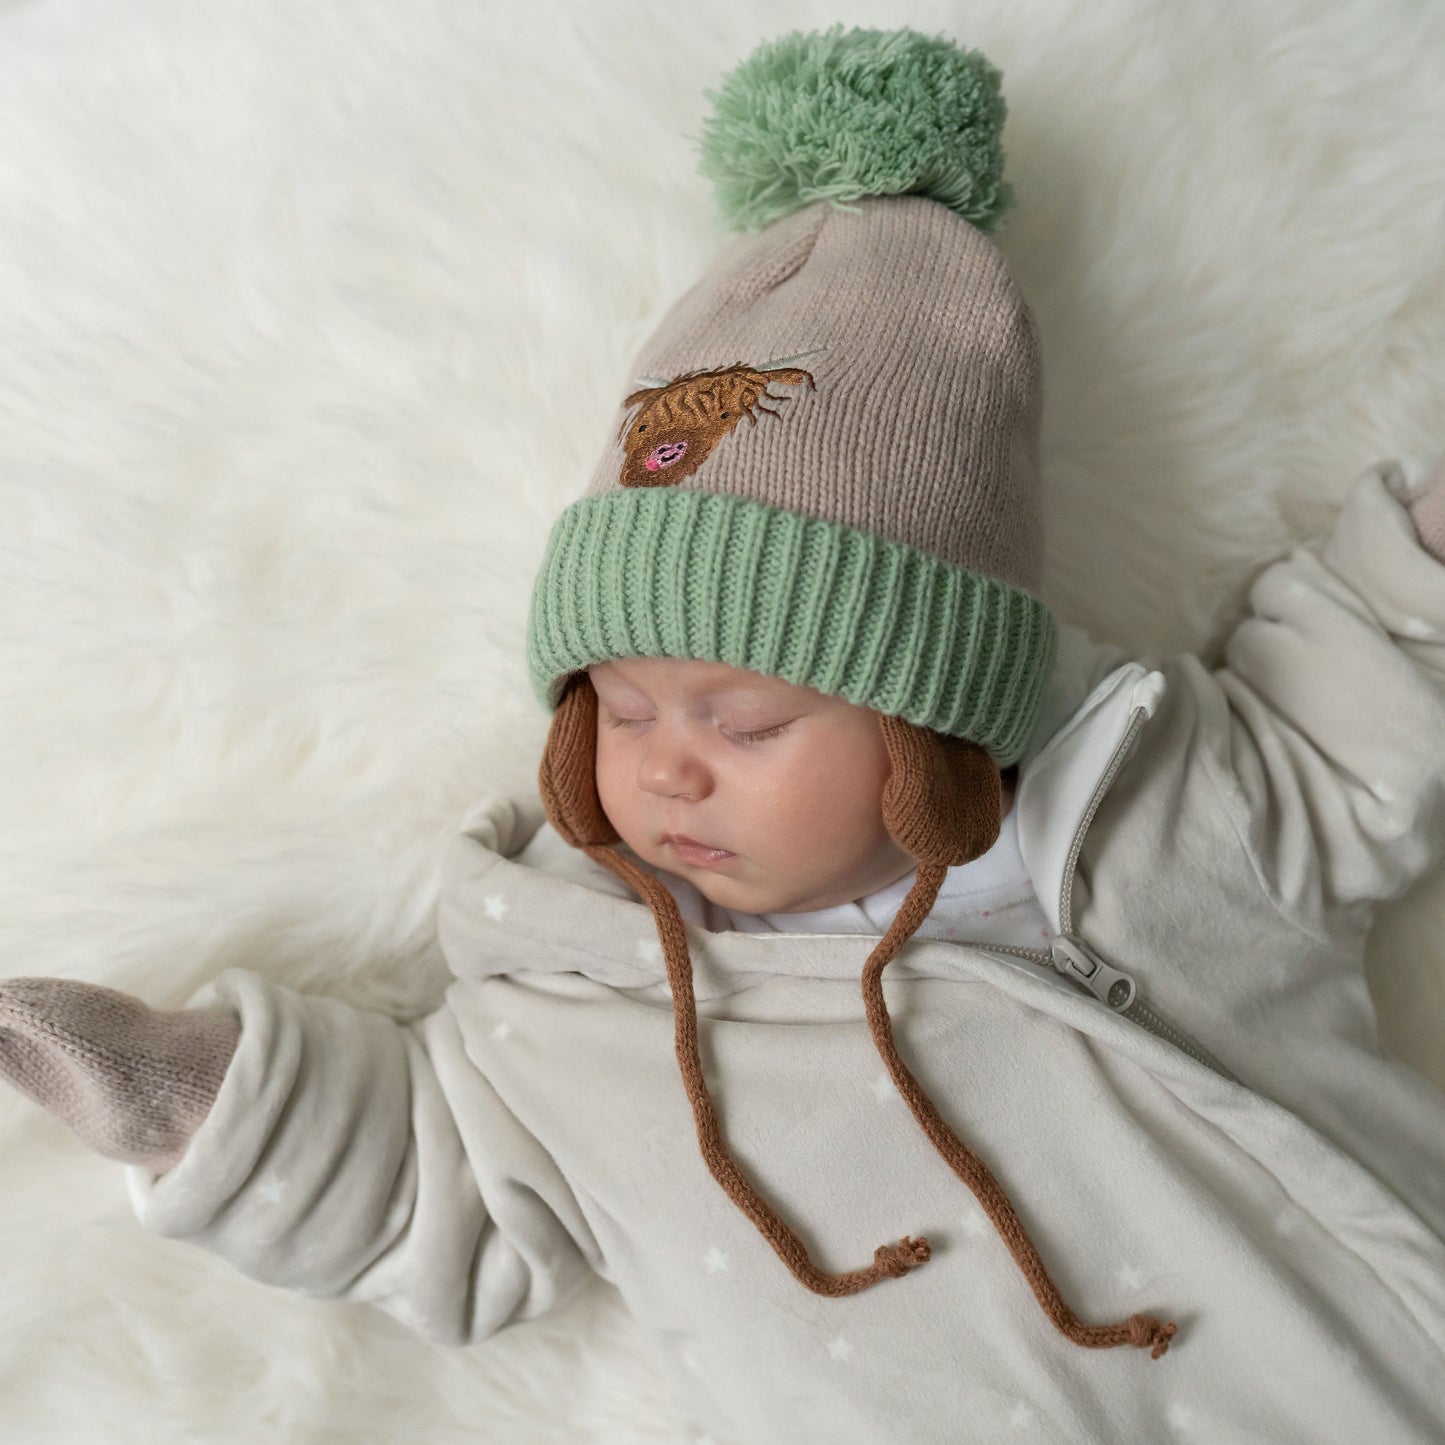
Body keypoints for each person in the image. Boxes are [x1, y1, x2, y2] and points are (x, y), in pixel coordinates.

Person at [3, 24, 1445, 1444]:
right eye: (618, 709)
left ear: (935, 712)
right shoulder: (575, 1004)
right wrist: (196, 1098)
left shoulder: (1164, 811)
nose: (666, 763)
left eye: (746, 719)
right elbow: (431, 1177)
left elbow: (1361, 686)